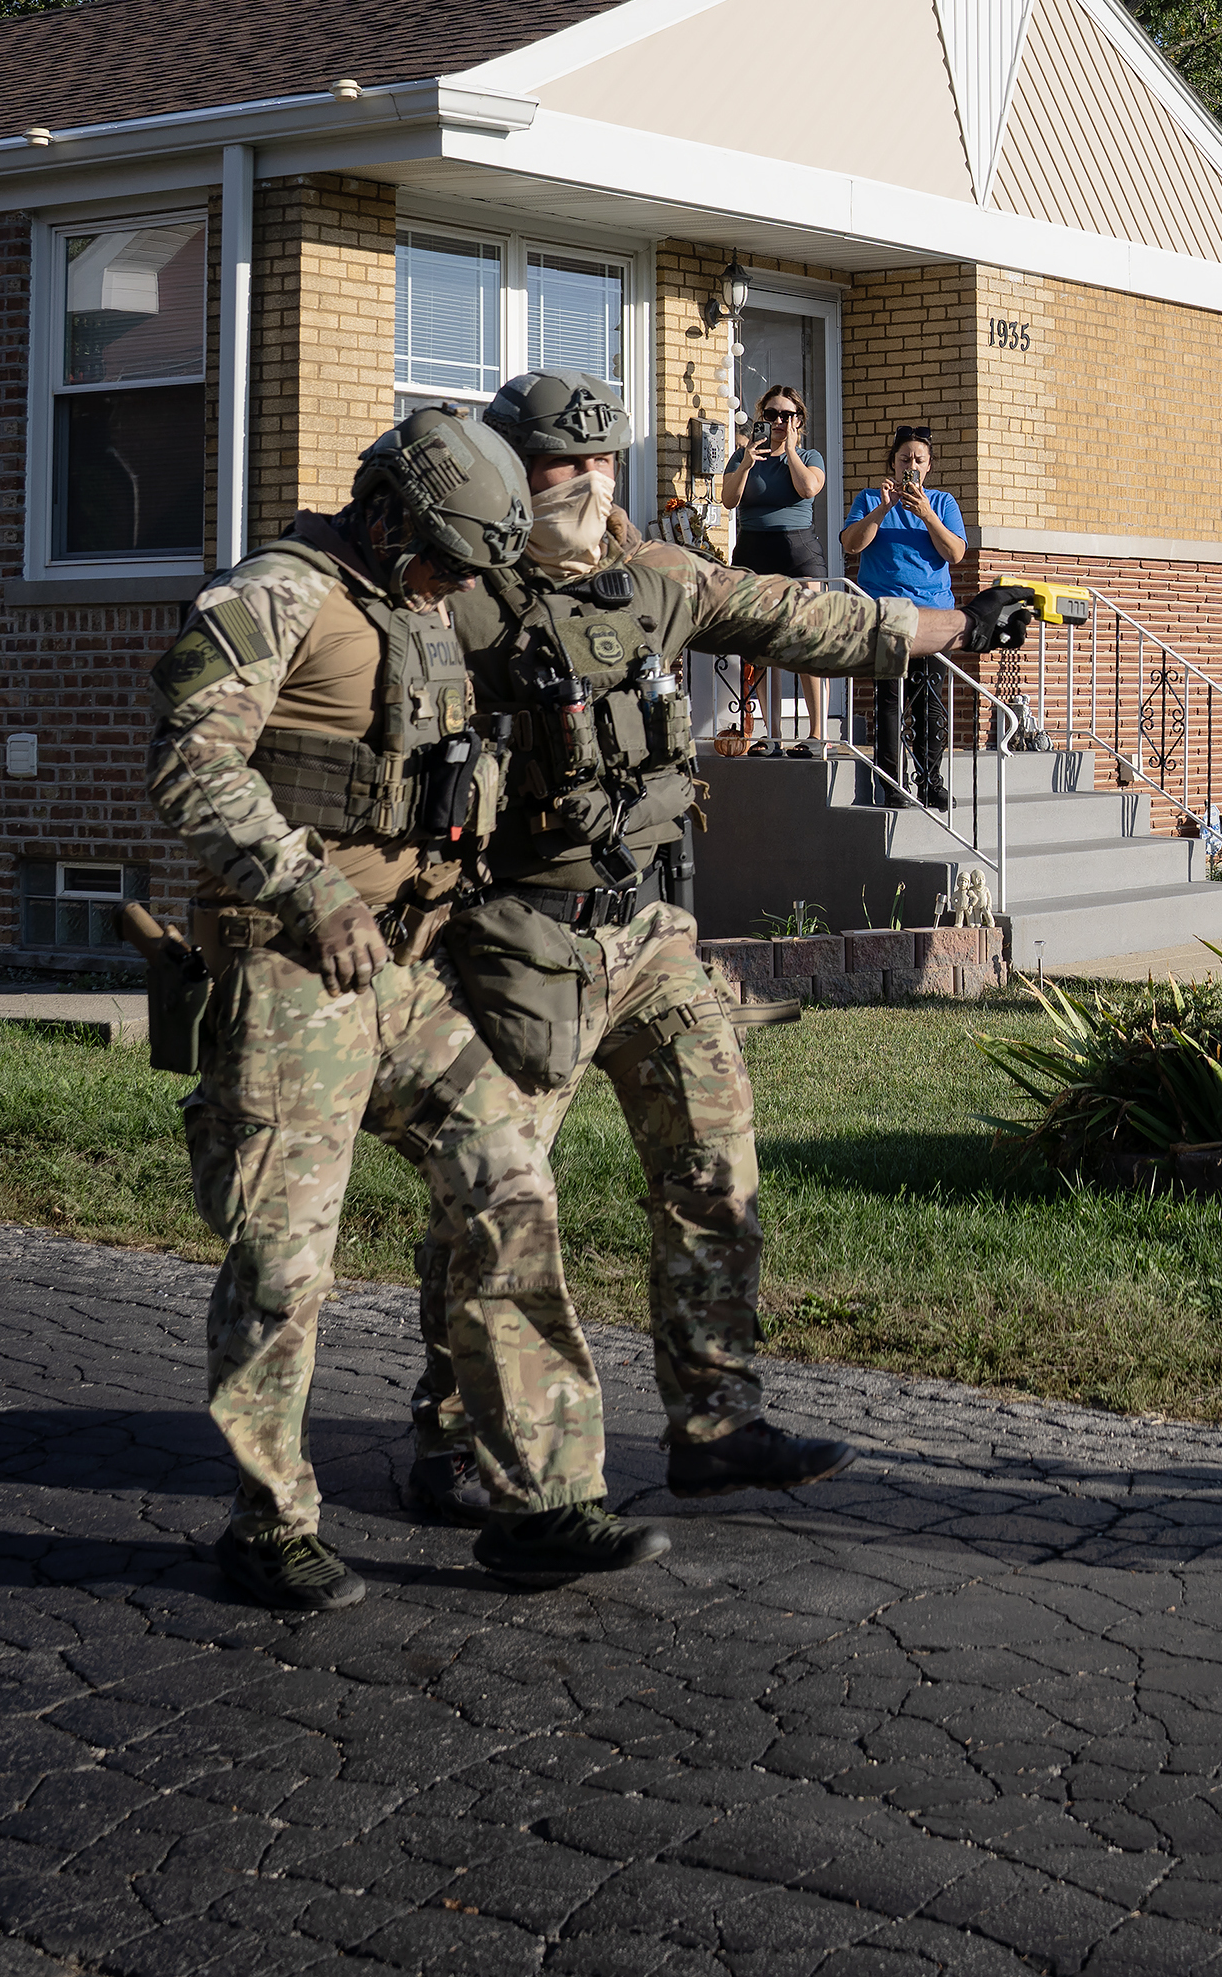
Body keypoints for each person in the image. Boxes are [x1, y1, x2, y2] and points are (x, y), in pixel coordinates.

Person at [394, 371, 1047, 1528]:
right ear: (507, 471)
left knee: (714, 1160)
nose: (590, 486)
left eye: (604, 464)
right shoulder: (453, 608)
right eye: (563, 465)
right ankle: (449, 1433)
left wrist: (957, 622)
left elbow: (808, 618)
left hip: (647, 930)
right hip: (514, 940)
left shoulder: (656, 579)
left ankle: (714, 1420)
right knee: (494, 1198)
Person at [147, 404, 669, 1610]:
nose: (449, 587)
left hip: (405, 970)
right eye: (439, 560)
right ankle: (268, 1524)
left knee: (510, 1183)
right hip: (293, 968)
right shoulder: (278, 593)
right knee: (285, 1259)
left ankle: (538, 1499)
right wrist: (305, 884)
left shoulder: (424, 596)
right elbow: (189, 763)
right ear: (385, 514)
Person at [841, 425, 967, 810]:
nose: (910, 465)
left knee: (930, 703)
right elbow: (851, 545)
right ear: (892, 464)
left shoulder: (943, 503)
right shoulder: (869, 498)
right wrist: (884, 507)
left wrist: (926, 513)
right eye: (904, 459)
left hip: (932, 616)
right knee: (889, 701)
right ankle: (891, 785)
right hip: (888, 614)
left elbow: (955, 554)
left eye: (918, 460)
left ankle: (930, 782)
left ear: (928, 466)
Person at [720, 386, 831, 744]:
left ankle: (816, 733)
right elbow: (728, 500)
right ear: (761, 417)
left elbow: (809, 489)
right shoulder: (744, 456)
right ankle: (773, 733)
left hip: (797, 549)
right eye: (771, 414)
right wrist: (748, 464)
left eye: (787, 415)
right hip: (754, 551)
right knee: (761, 645)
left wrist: (792, 451)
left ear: (799, 419)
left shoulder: (811, 455)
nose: (779, 421)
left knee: (805, 640)